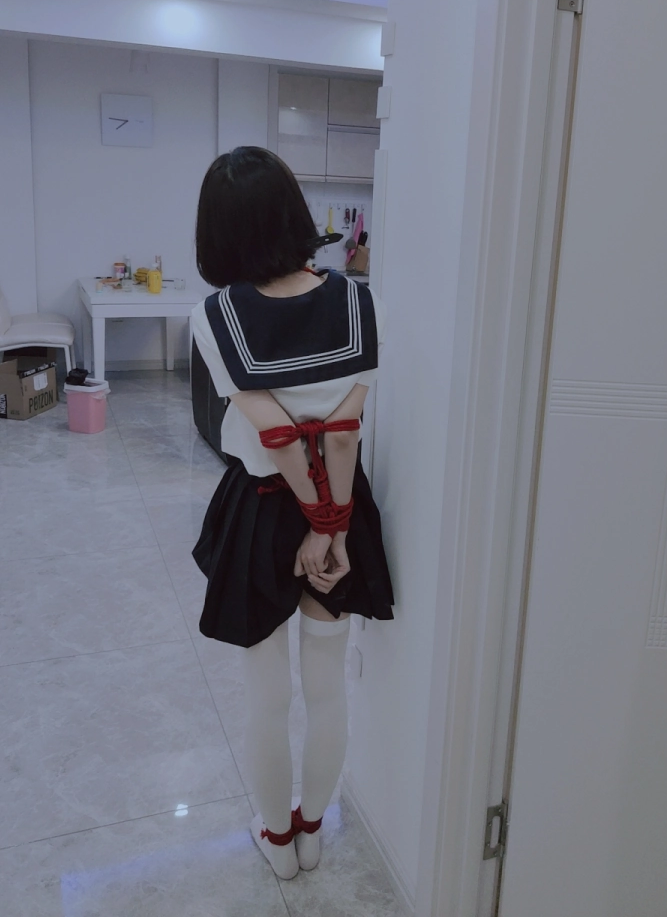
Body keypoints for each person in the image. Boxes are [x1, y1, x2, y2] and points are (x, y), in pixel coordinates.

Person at [190, 146, 395, 880]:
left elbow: (276, 435)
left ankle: (276, 842)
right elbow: (340, 434)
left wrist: (312, 520)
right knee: (328, 683)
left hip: (262, 509)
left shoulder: (216, 316)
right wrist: (330, 526)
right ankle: (312, 832)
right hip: (338, 505)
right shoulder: (359, 302)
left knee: (266, 693)